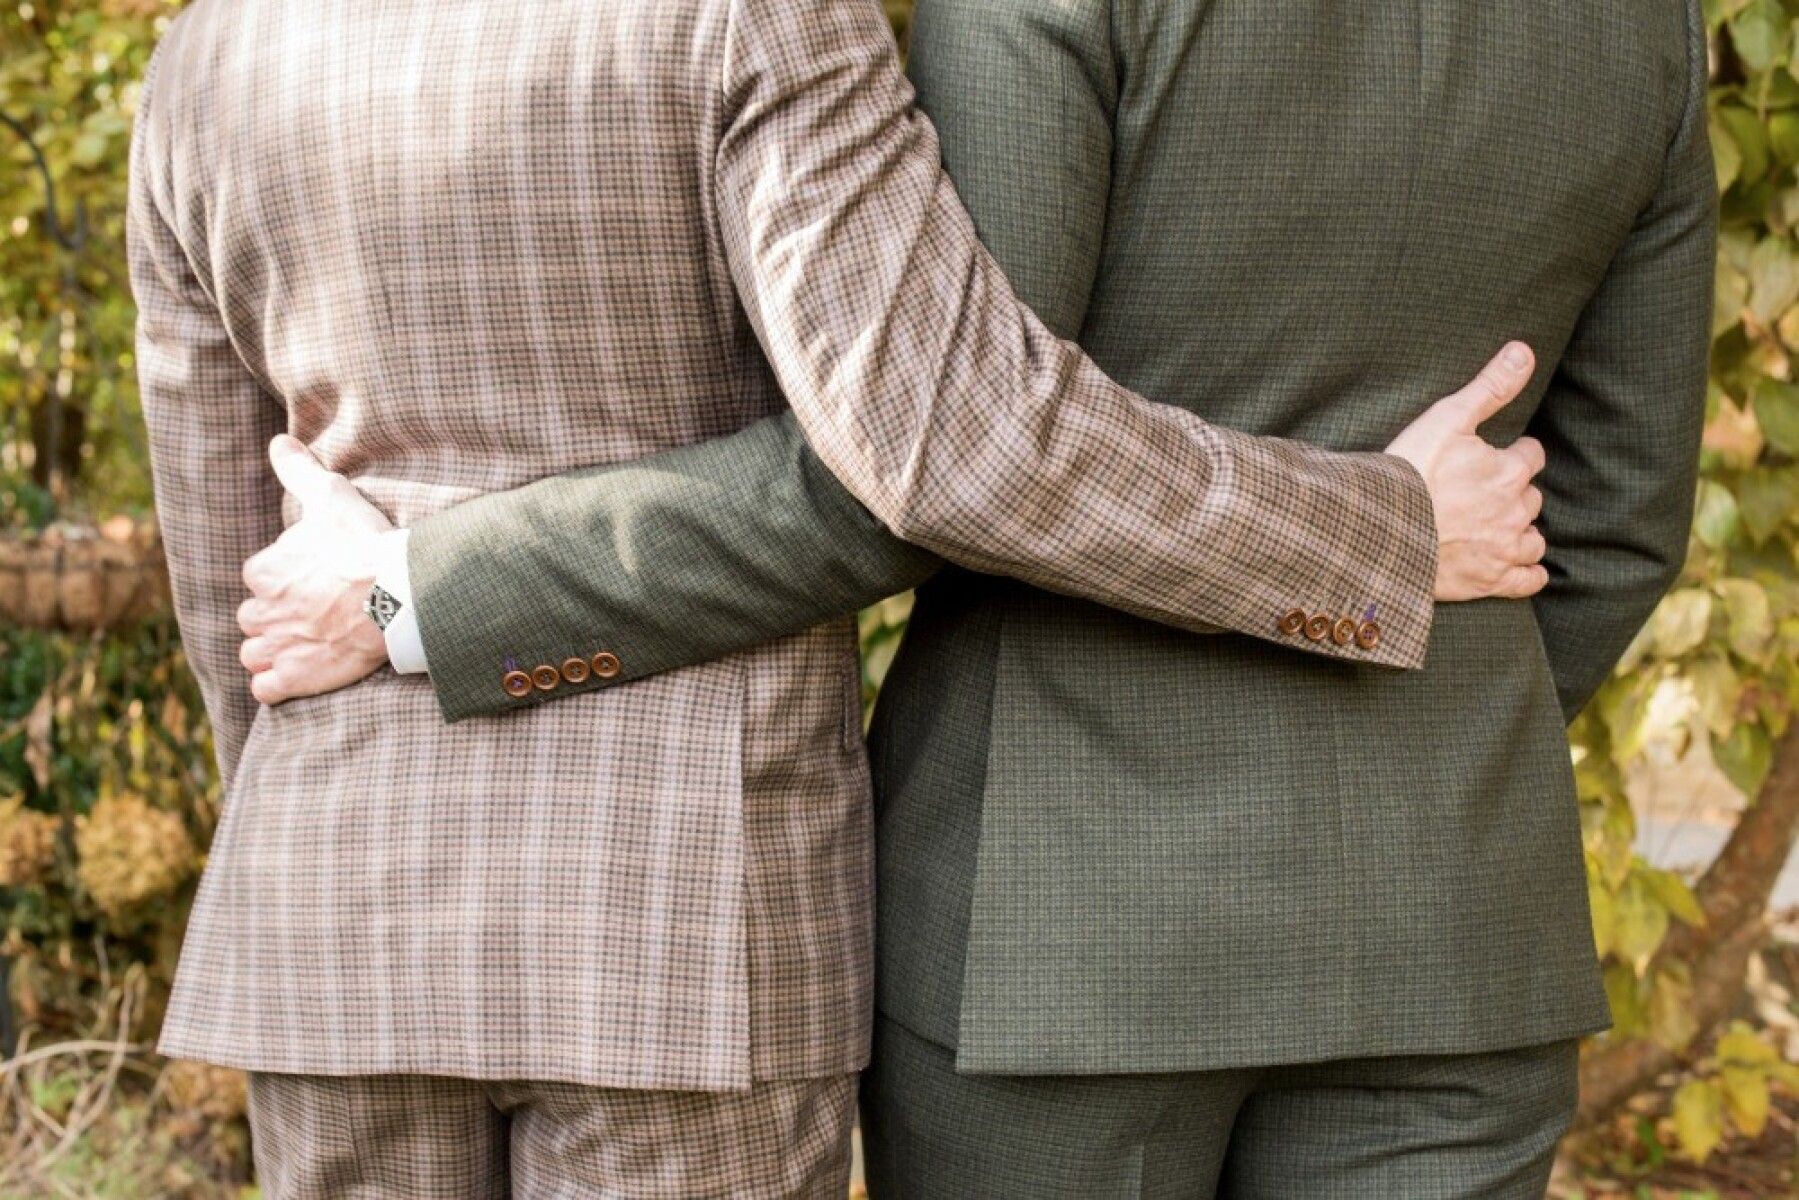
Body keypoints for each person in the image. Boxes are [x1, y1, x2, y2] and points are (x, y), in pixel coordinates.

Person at [136, 0, 1568, 1196]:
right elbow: (946, 443)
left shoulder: (207, 60)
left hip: (334, 912)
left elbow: (229, 581)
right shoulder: (747, 17)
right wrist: (1375, 536)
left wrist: (303, 824)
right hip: (691, 920)